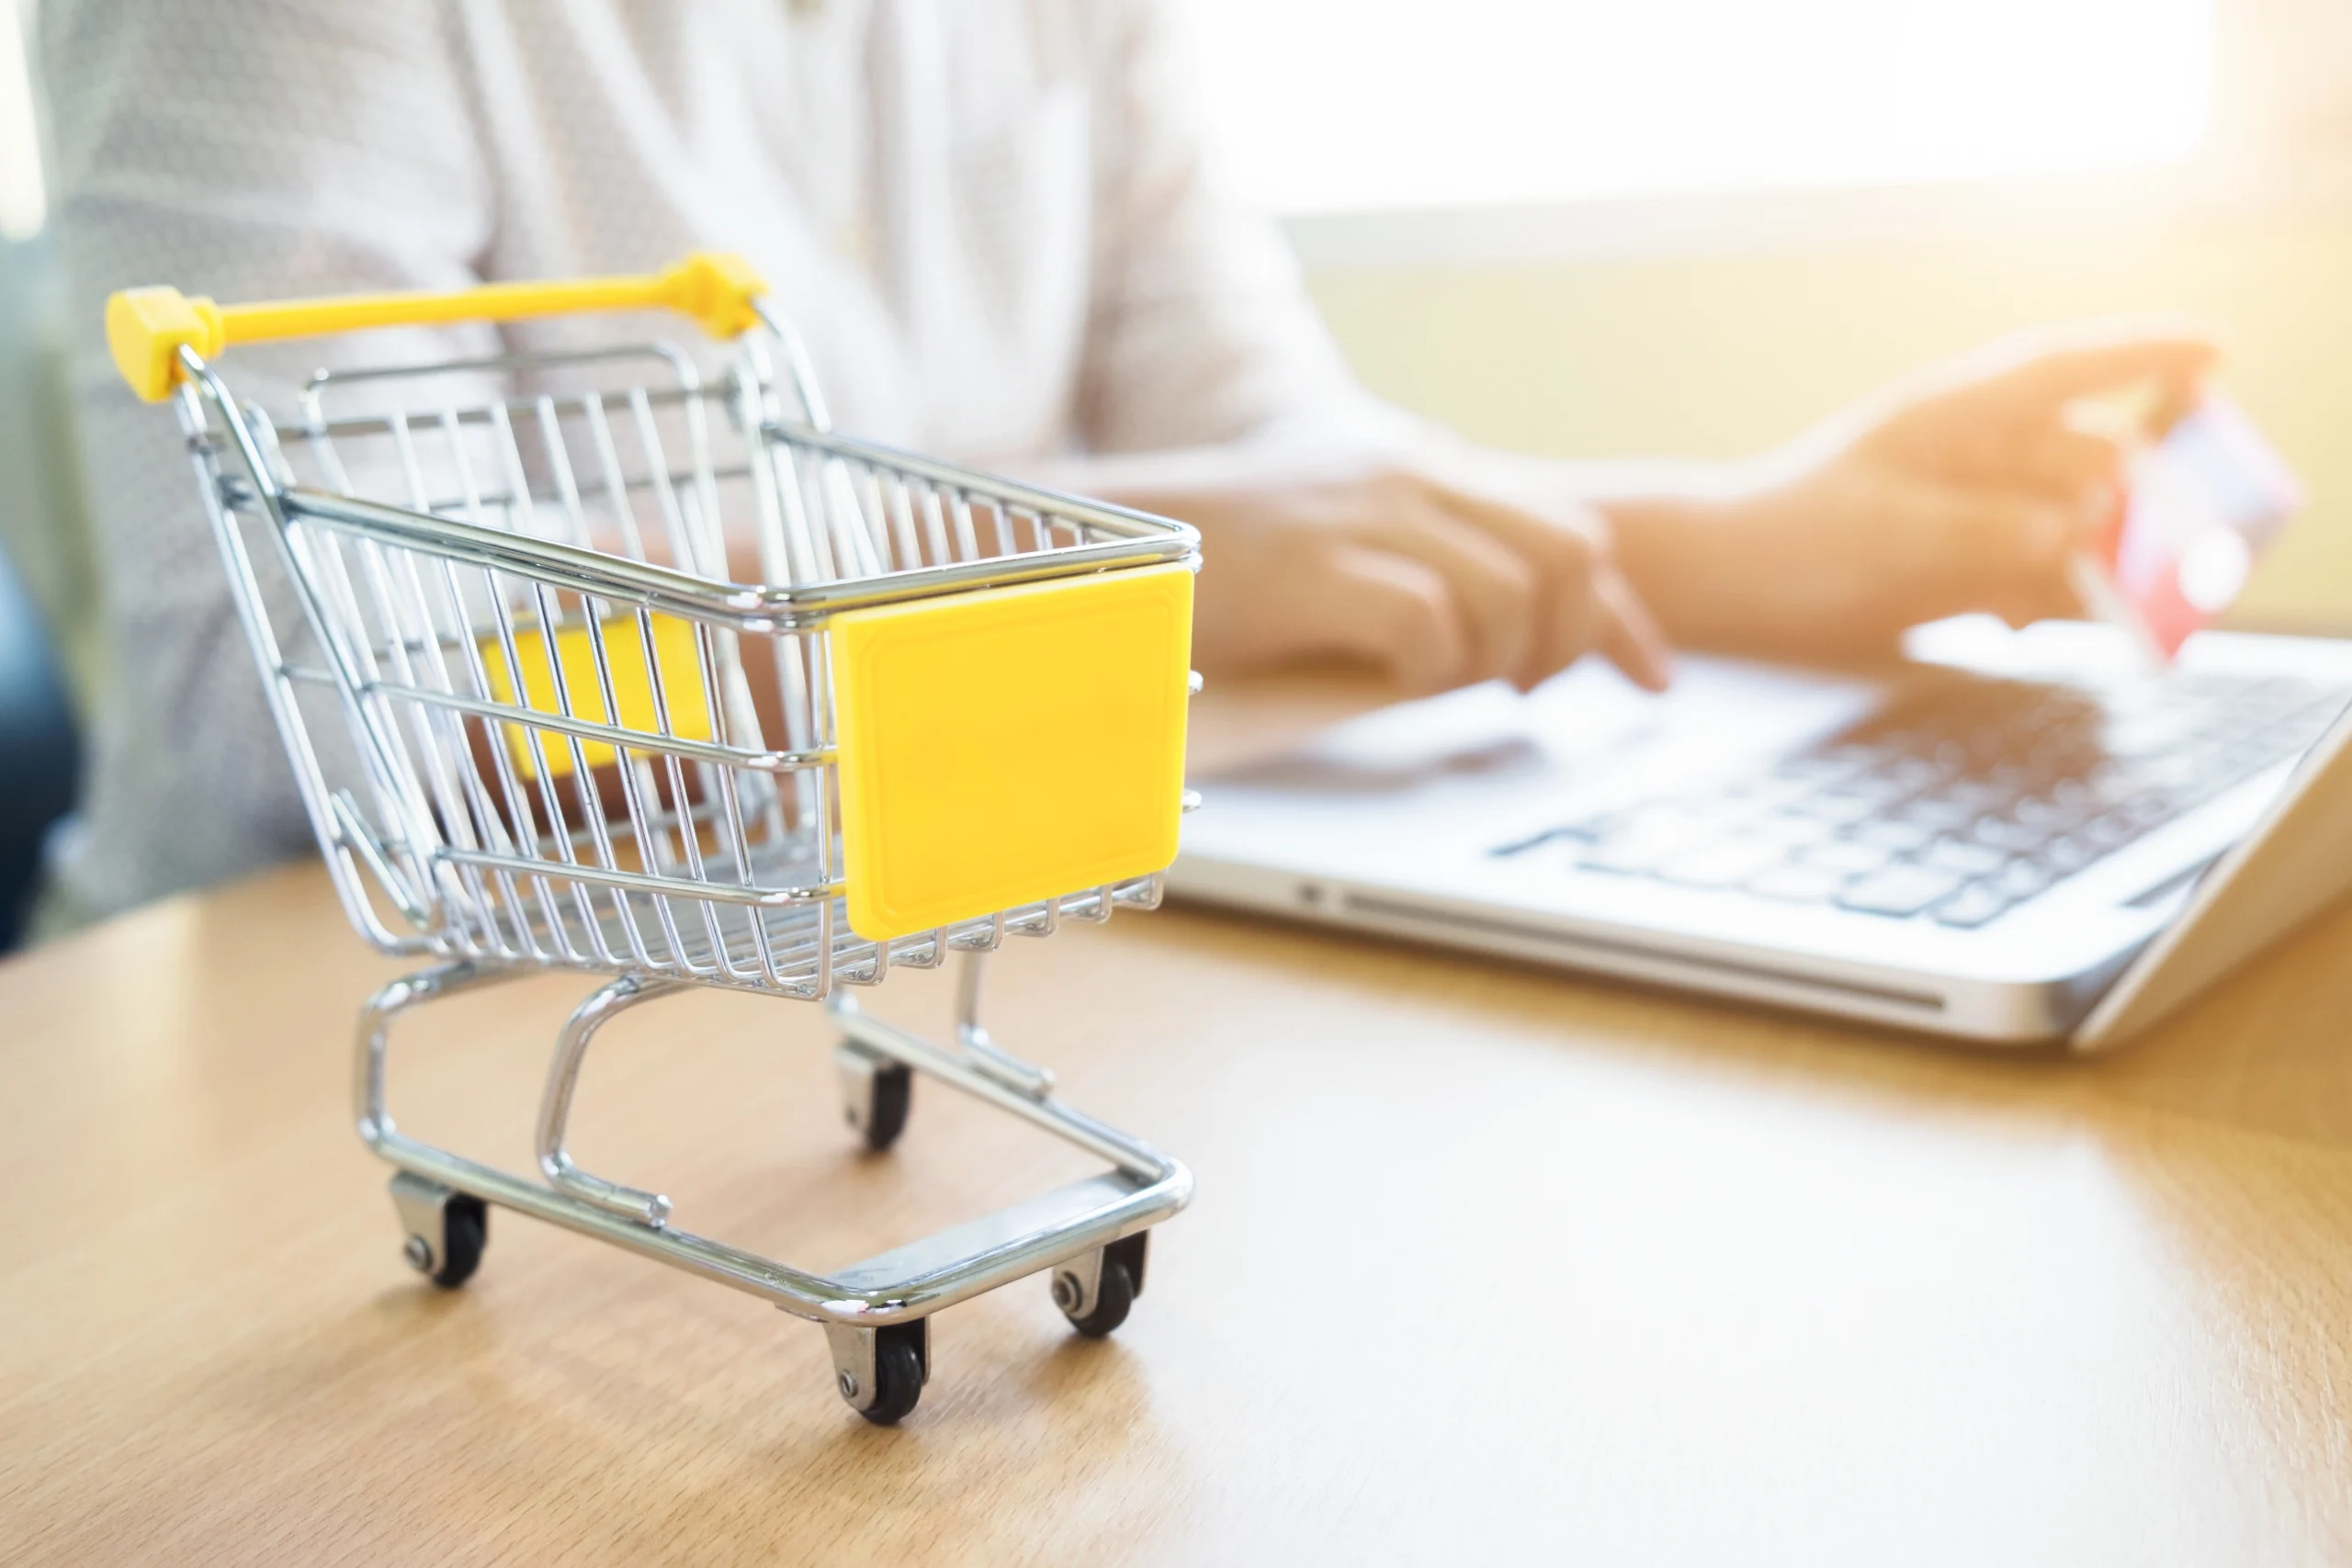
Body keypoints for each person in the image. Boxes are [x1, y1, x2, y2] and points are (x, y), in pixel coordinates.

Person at [36, 0, 2212, 931]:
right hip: (307, 1021)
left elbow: (1287, 482)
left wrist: (1730, 533)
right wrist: (1125, 552)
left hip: (937, 927)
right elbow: (283, 685)